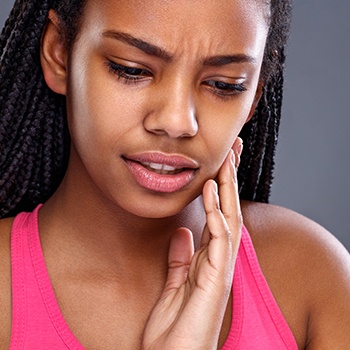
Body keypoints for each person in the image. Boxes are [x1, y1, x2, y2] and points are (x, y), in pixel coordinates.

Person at [0, 0, 349, 349]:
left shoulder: (314, 281)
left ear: (256, 91)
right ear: (59, 53)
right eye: (132, 69)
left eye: (224, 85)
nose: (177, 122)